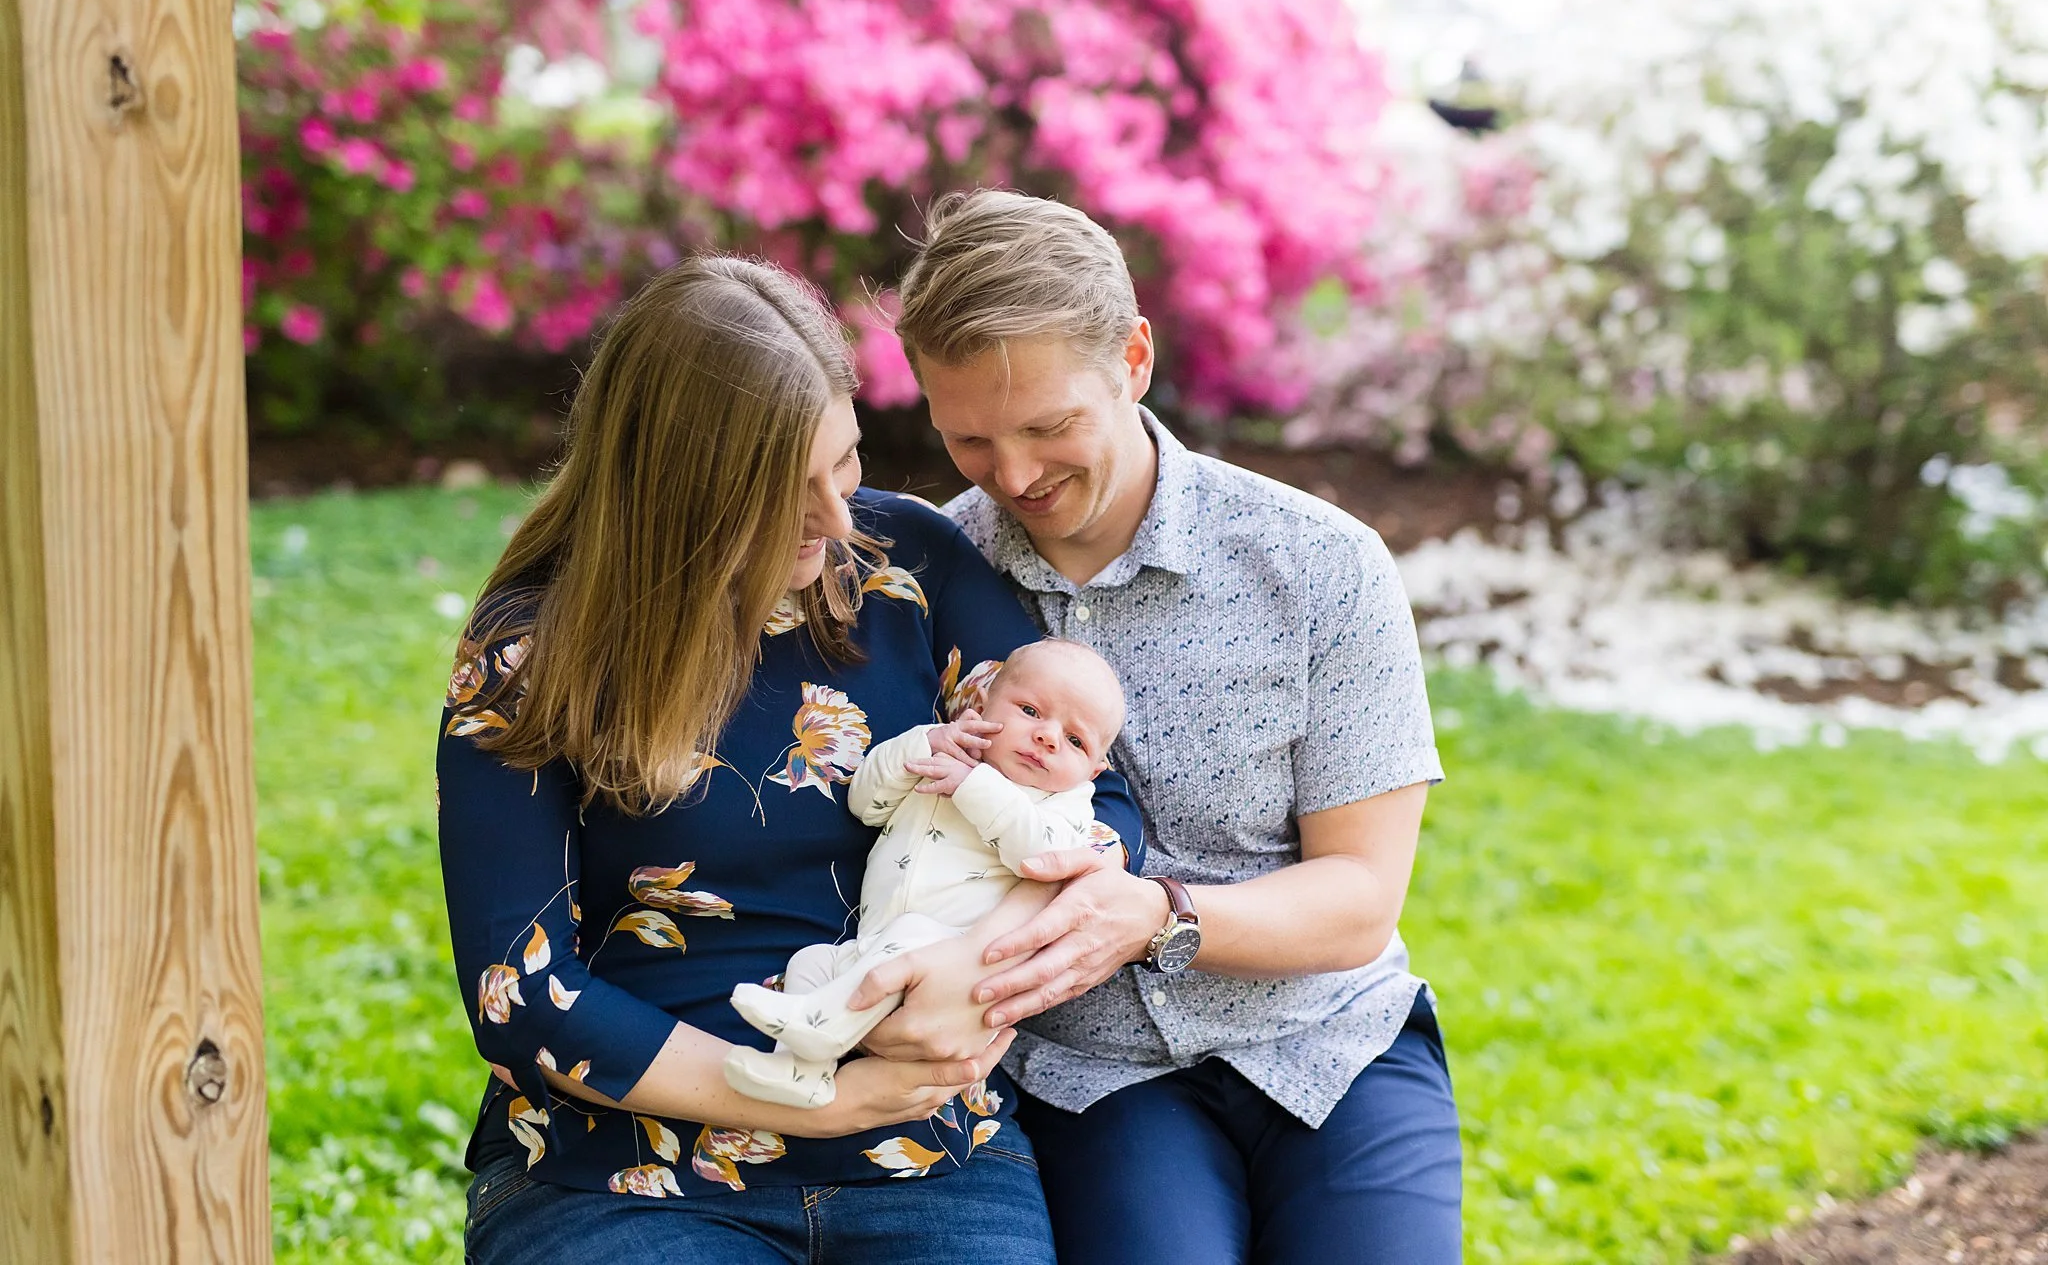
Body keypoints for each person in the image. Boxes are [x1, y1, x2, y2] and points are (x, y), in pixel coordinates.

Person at [435, 255, 1148, 1265]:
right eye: (784, 491)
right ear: (677, 492)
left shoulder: (907, 568)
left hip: (927, 1154)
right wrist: (812, 1104)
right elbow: (523, 991)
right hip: (624, 1170)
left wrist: (968, 975)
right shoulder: (532, 651)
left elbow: (1097, 804)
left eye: (844, 463)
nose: (835, 519)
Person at [856, 189, 1462, 1264]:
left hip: (1327, 1041)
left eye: (1049, 428)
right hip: (1091, 1077)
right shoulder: (926, 582)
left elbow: (1358, 902)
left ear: (1133, 359)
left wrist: (1153, 916)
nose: (1015, 478)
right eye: (969, 440)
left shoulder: (1323, 566)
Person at [725, 638, 1127, 1108]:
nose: (1048, 737)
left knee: (913, 932)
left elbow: (1040, 859)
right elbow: (867, 806)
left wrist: (975, 788)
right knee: (811, 963)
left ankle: (821, 1027)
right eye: (1031, 711)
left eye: (1075, 741)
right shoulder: (945, 750)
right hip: (873, 949)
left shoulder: (1065, 804)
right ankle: (799, 1070)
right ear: (982, 704)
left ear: (1094, 771)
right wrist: (920, 744)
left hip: (951, 969)